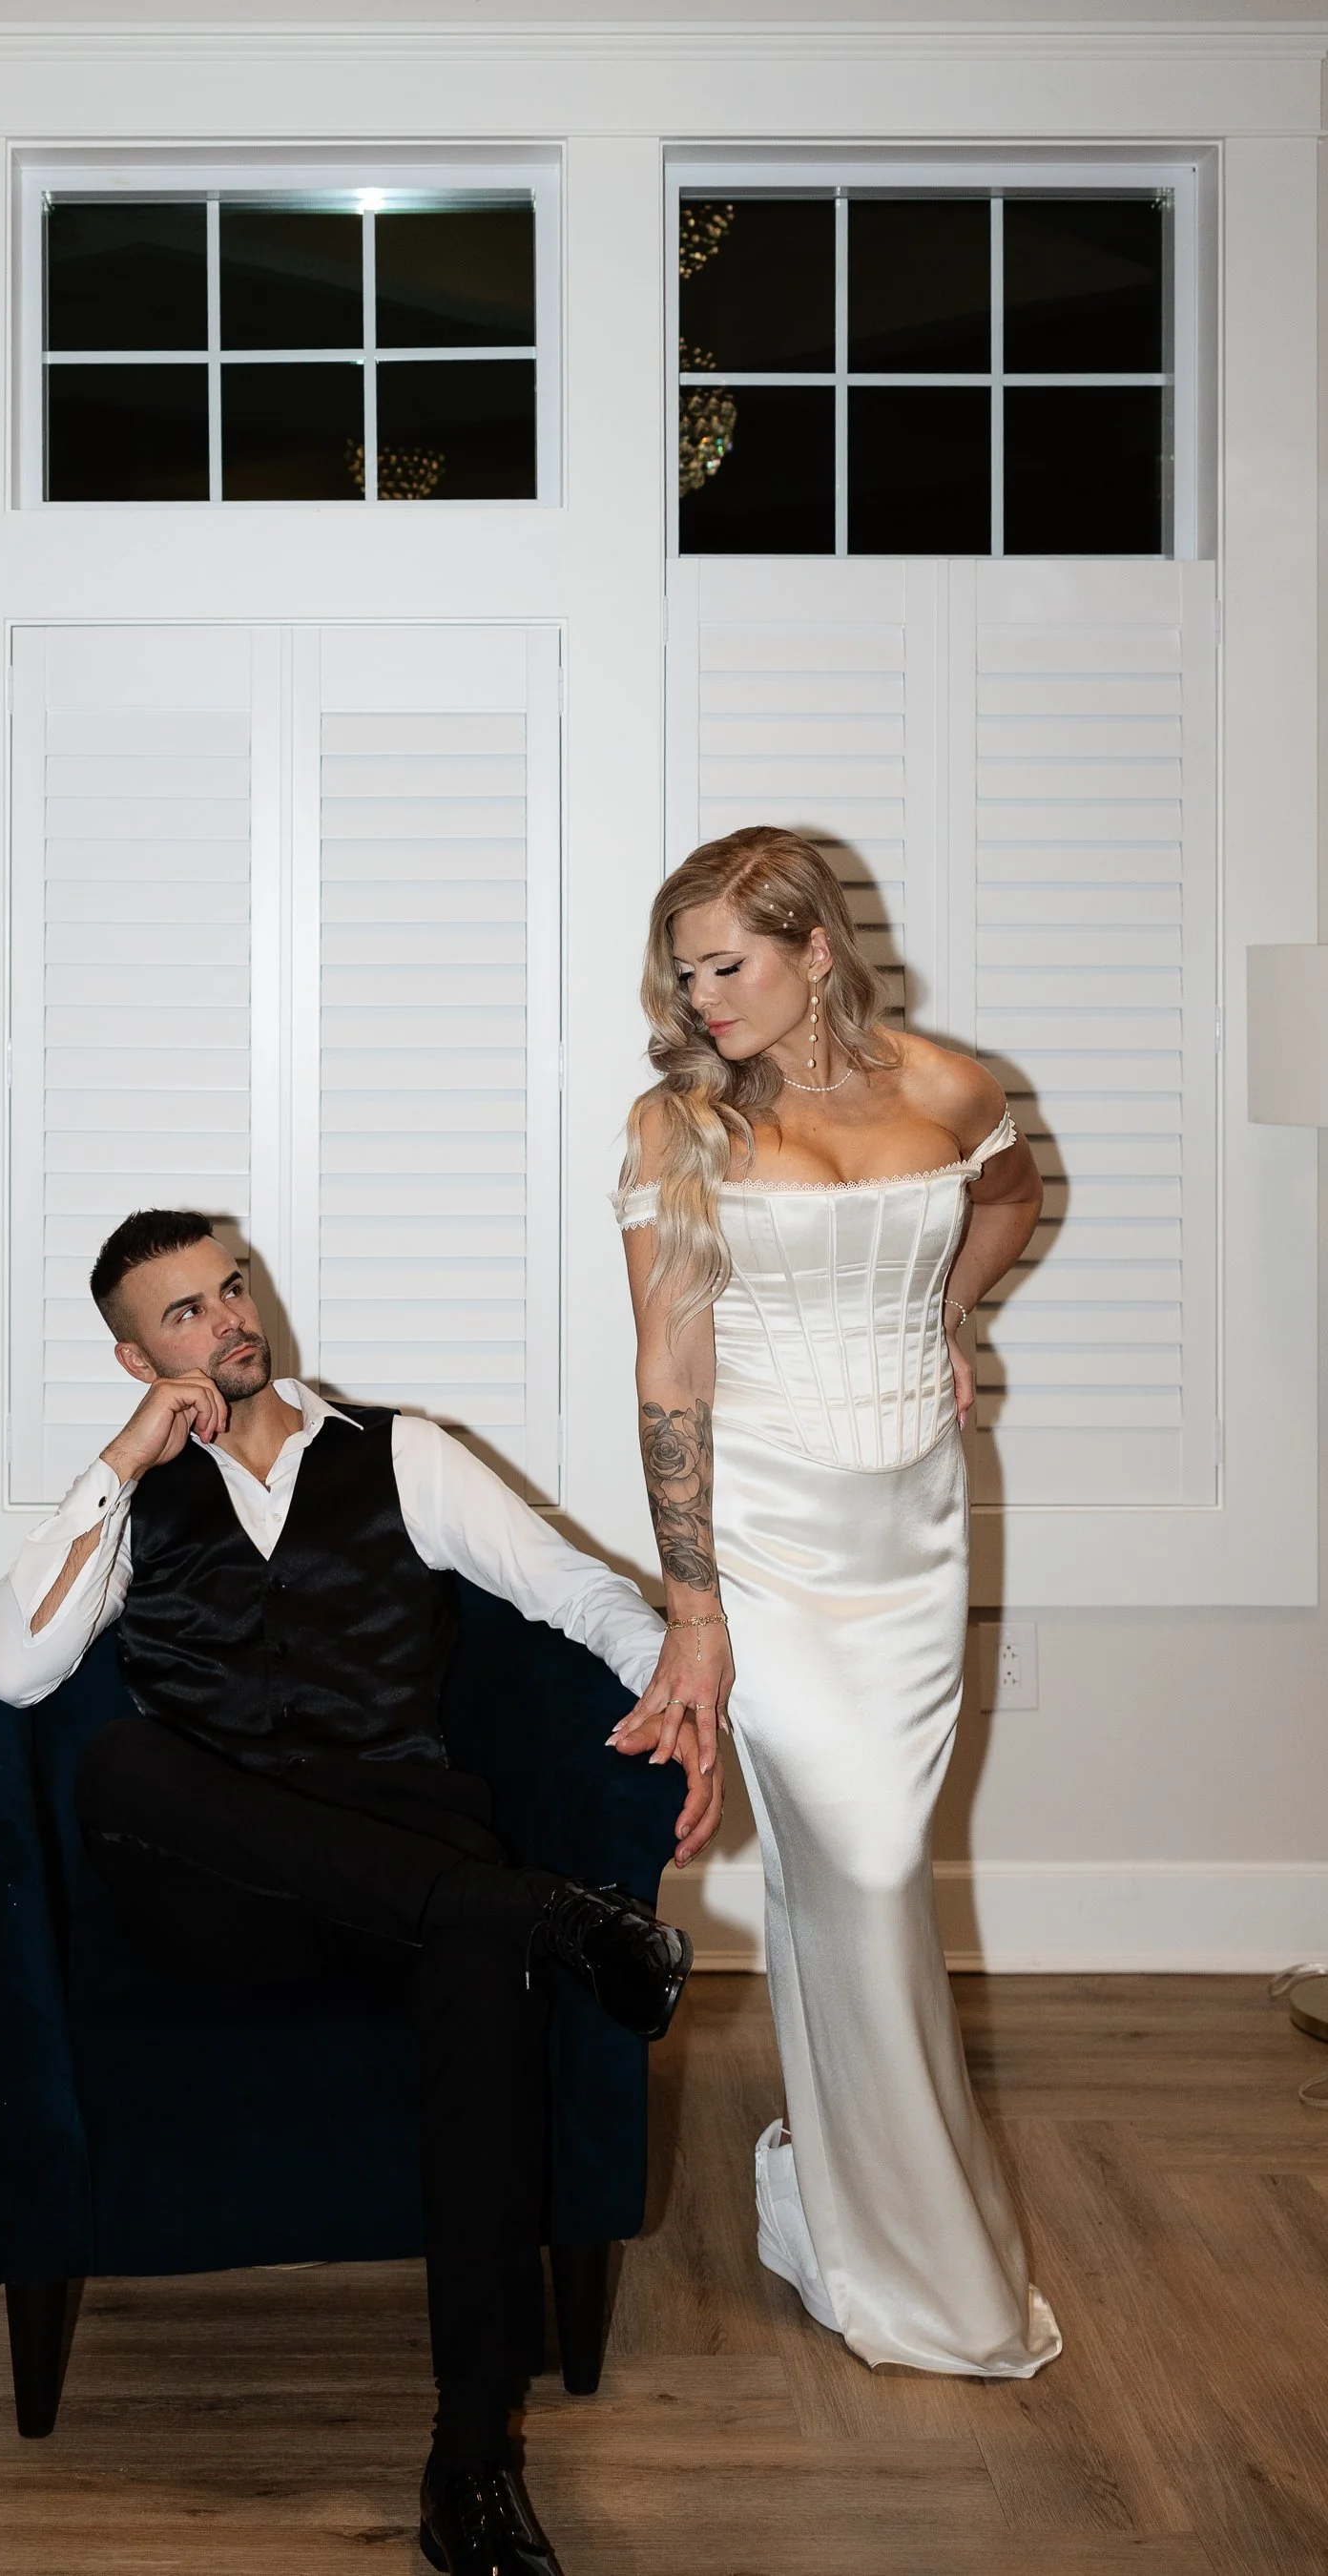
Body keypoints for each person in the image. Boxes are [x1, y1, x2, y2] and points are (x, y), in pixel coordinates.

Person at [0, 1209, 721, 2576]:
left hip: (408, 1855)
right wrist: (126, 1460)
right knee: (125, 1763)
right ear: (136, 1358)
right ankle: (539, 1914)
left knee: (465, 1943)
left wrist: (675, 1687)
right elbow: (14, 1674)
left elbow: (573, 1595)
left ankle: (471, 2472)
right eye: (185, 1315)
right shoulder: (134, 1497)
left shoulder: (404, 1455)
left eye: (232, 1289)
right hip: (225, 1901)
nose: (230, 1322)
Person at [611, 824, 1062, 2379]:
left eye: (729, 964)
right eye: (687, 973)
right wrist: (693, 1608)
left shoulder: (947, 1086)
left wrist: (950, 1308)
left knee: (854, 1872)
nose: (703, 997)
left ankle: (827, 2189)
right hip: (772, 1541)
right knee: (861, 1866)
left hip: (916, 1530)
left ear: (816, 949)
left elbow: (1009, 1191)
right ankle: (904, 2245)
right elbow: (670, 1377)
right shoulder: (681, 1126)